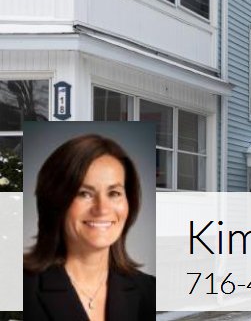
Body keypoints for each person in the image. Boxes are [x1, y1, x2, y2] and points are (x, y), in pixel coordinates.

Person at [24, 134, 154, 321]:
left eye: (114, 193)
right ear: (55, 201)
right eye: (84, 193)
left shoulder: (150, 290)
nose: (102, 209)